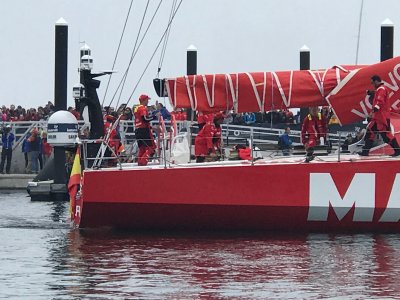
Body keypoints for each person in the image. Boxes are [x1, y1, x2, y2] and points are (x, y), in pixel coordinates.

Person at [360, 75, 400, 156]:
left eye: (372, 83)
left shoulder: (381, 89)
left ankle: (398, 150)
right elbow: (379, 94)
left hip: (382, 118)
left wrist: (373, 111)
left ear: (376, 81)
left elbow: (380, 102)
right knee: (370, 131)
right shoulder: (380, 89)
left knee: (386, 135)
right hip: (377, 117)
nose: (372, 84)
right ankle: (365, 151)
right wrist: (371, 92)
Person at [134, 94, 156, 166]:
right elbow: (145, 119)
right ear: (144, 100)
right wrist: (154, 117)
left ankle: (139, 162)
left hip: (137, 130)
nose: (148, 102)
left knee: (142, 148)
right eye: (147, 100)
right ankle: (143, 162)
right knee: (151, 147)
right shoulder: (143, 108)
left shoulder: (136, 108)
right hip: (144, 130)